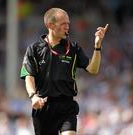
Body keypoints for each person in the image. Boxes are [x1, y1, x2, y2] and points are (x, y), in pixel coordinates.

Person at [20, 7, 108, 135]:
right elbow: (29, 76)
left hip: (67, 106)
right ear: (50, 25)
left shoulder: (73, 48)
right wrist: (33, 96)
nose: (67, 27)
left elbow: (93, 69)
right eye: (63, 24)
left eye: (68, 24)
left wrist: (97, 46)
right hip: (44, 107)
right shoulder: (34, 49)